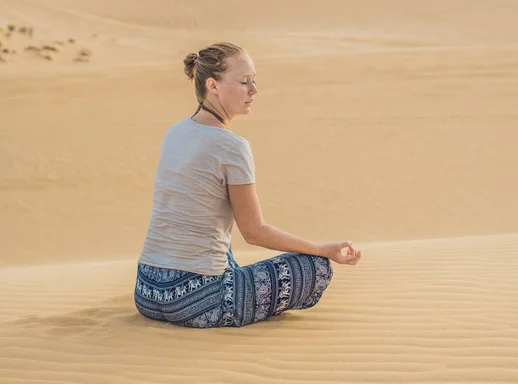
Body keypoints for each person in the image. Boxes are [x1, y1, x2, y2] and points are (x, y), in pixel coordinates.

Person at [134, 42, 361, 328]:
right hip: (194, 301)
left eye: (254, 81)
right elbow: (254, 232)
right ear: (213, 85)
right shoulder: (231, 146)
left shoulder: (174, 133)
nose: (254, 90)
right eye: (244, 82)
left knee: (219, 239)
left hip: (147, 292)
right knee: (314, 268)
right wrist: (321, 249)